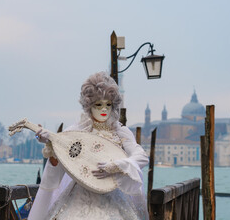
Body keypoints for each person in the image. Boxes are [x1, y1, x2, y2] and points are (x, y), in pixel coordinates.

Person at [28, 72, 149, 220]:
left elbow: (141, 157)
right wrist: (50, 145)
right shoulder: (76, 131)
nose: (104, 109)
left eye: (108, 104)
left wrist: (116, 166)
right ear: (89, 106)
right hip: (77, 200)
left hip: (112, 199)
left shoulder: (120, 131)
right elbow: (58, 165)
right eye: (98, 104)